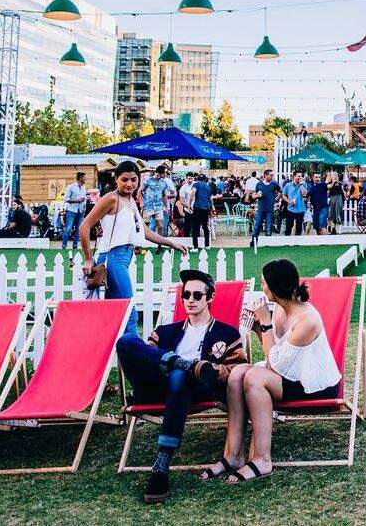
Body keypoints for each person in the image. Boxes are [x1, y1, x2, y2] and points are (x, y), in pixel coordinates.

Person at [206, 259, 343, 484]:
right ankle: (232, 455)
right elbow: (276, 354)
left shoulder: (308, 319)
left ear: (275, 287)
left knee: (253, 377)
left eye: (264, 283)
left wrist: (265, 323)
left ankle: (262, 459)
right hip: (290, 374)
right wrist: (259, 328)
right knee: (238, 372)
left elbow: (276, 364)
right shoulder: (280, 307)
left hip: (314, 385)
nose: (262, 288)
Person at [117, 270, 246, 503]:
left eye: (198, 295)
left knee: (179, 377)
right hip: (155, 386)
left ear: (210, 298)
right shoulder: (166, 332)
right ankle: (181, 363)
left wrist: (211, 370)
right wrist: (184, 364)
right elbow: (147, 357)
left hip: (195, 390)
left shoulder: (227, 333)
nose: (191, 300)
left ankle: (162, 465)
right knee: (126, 341)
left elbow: (238, 370)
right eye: (186, 294)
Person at [80, 161, 189, 336]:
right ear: (116, 179)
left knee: (115, 314)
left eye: (133, 179)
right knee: (129, 312)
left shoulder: (131, 200)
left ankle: (122, 358)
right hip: (112, 259)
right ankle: (136, 358)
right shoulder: (111, 198)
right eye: (124, 179)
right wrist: (88, 258)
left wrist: (171, 243)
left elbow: (144, 231)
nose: (129, 184)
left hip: (124, 258)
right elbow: (84, 226)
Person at [142, 165, 176, 236]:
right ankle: (149, 243)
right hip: (149, 207)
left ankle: (161, 244)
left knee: (162, 227)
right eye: (159, 174)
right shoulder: (148, 180)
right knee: (150, 226)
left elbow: (168, 195)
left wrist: (166, 206)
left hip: (160, 207)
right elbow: (140, 191)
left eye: (164, 173)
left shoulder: (166, 182)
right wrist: (143, 202)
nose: (160, 176)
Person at [250, 169, 281, 242]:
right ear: (265, 175)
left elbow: (281, 192)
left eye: (272, 175)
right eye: (271, 175)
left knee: (268, 228)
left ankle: (267, 244)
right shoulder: (259, 184)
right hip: (261, 209)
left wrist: (276, 199)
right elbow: (253, 196)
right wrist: (257, 195)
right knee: (257, 227)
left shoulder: (274, 184)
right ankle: (253, 243)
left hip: (270, 210)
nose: (272, 177)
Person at [61, 171, 89, 249]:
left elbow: (84, 199)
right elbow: (66, 199)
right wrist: (77, 200)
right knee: (68, 228)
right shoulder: (71, 187)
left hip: (80, 211)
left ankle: (75, 246)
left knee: (78, 229)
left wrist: (84, 207)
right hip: (72, 211)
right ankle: (64, 245)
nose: (85, 179)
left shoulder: (83, 188)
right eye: (84, 177)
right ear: (80, 178)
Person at [188, 174, 213, 249]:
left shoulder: (196, 184)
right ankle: (207, 245)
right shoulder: (209, 186)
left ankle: (195, 247)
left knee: (195, 227)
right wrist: (211, 209)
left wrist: (189, 204)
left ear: (197, 179)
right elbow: (211, 199)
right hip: (206, 208)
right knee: (205, 226)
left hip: (197, 207)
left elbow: (193, 193)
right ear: (205, 179)